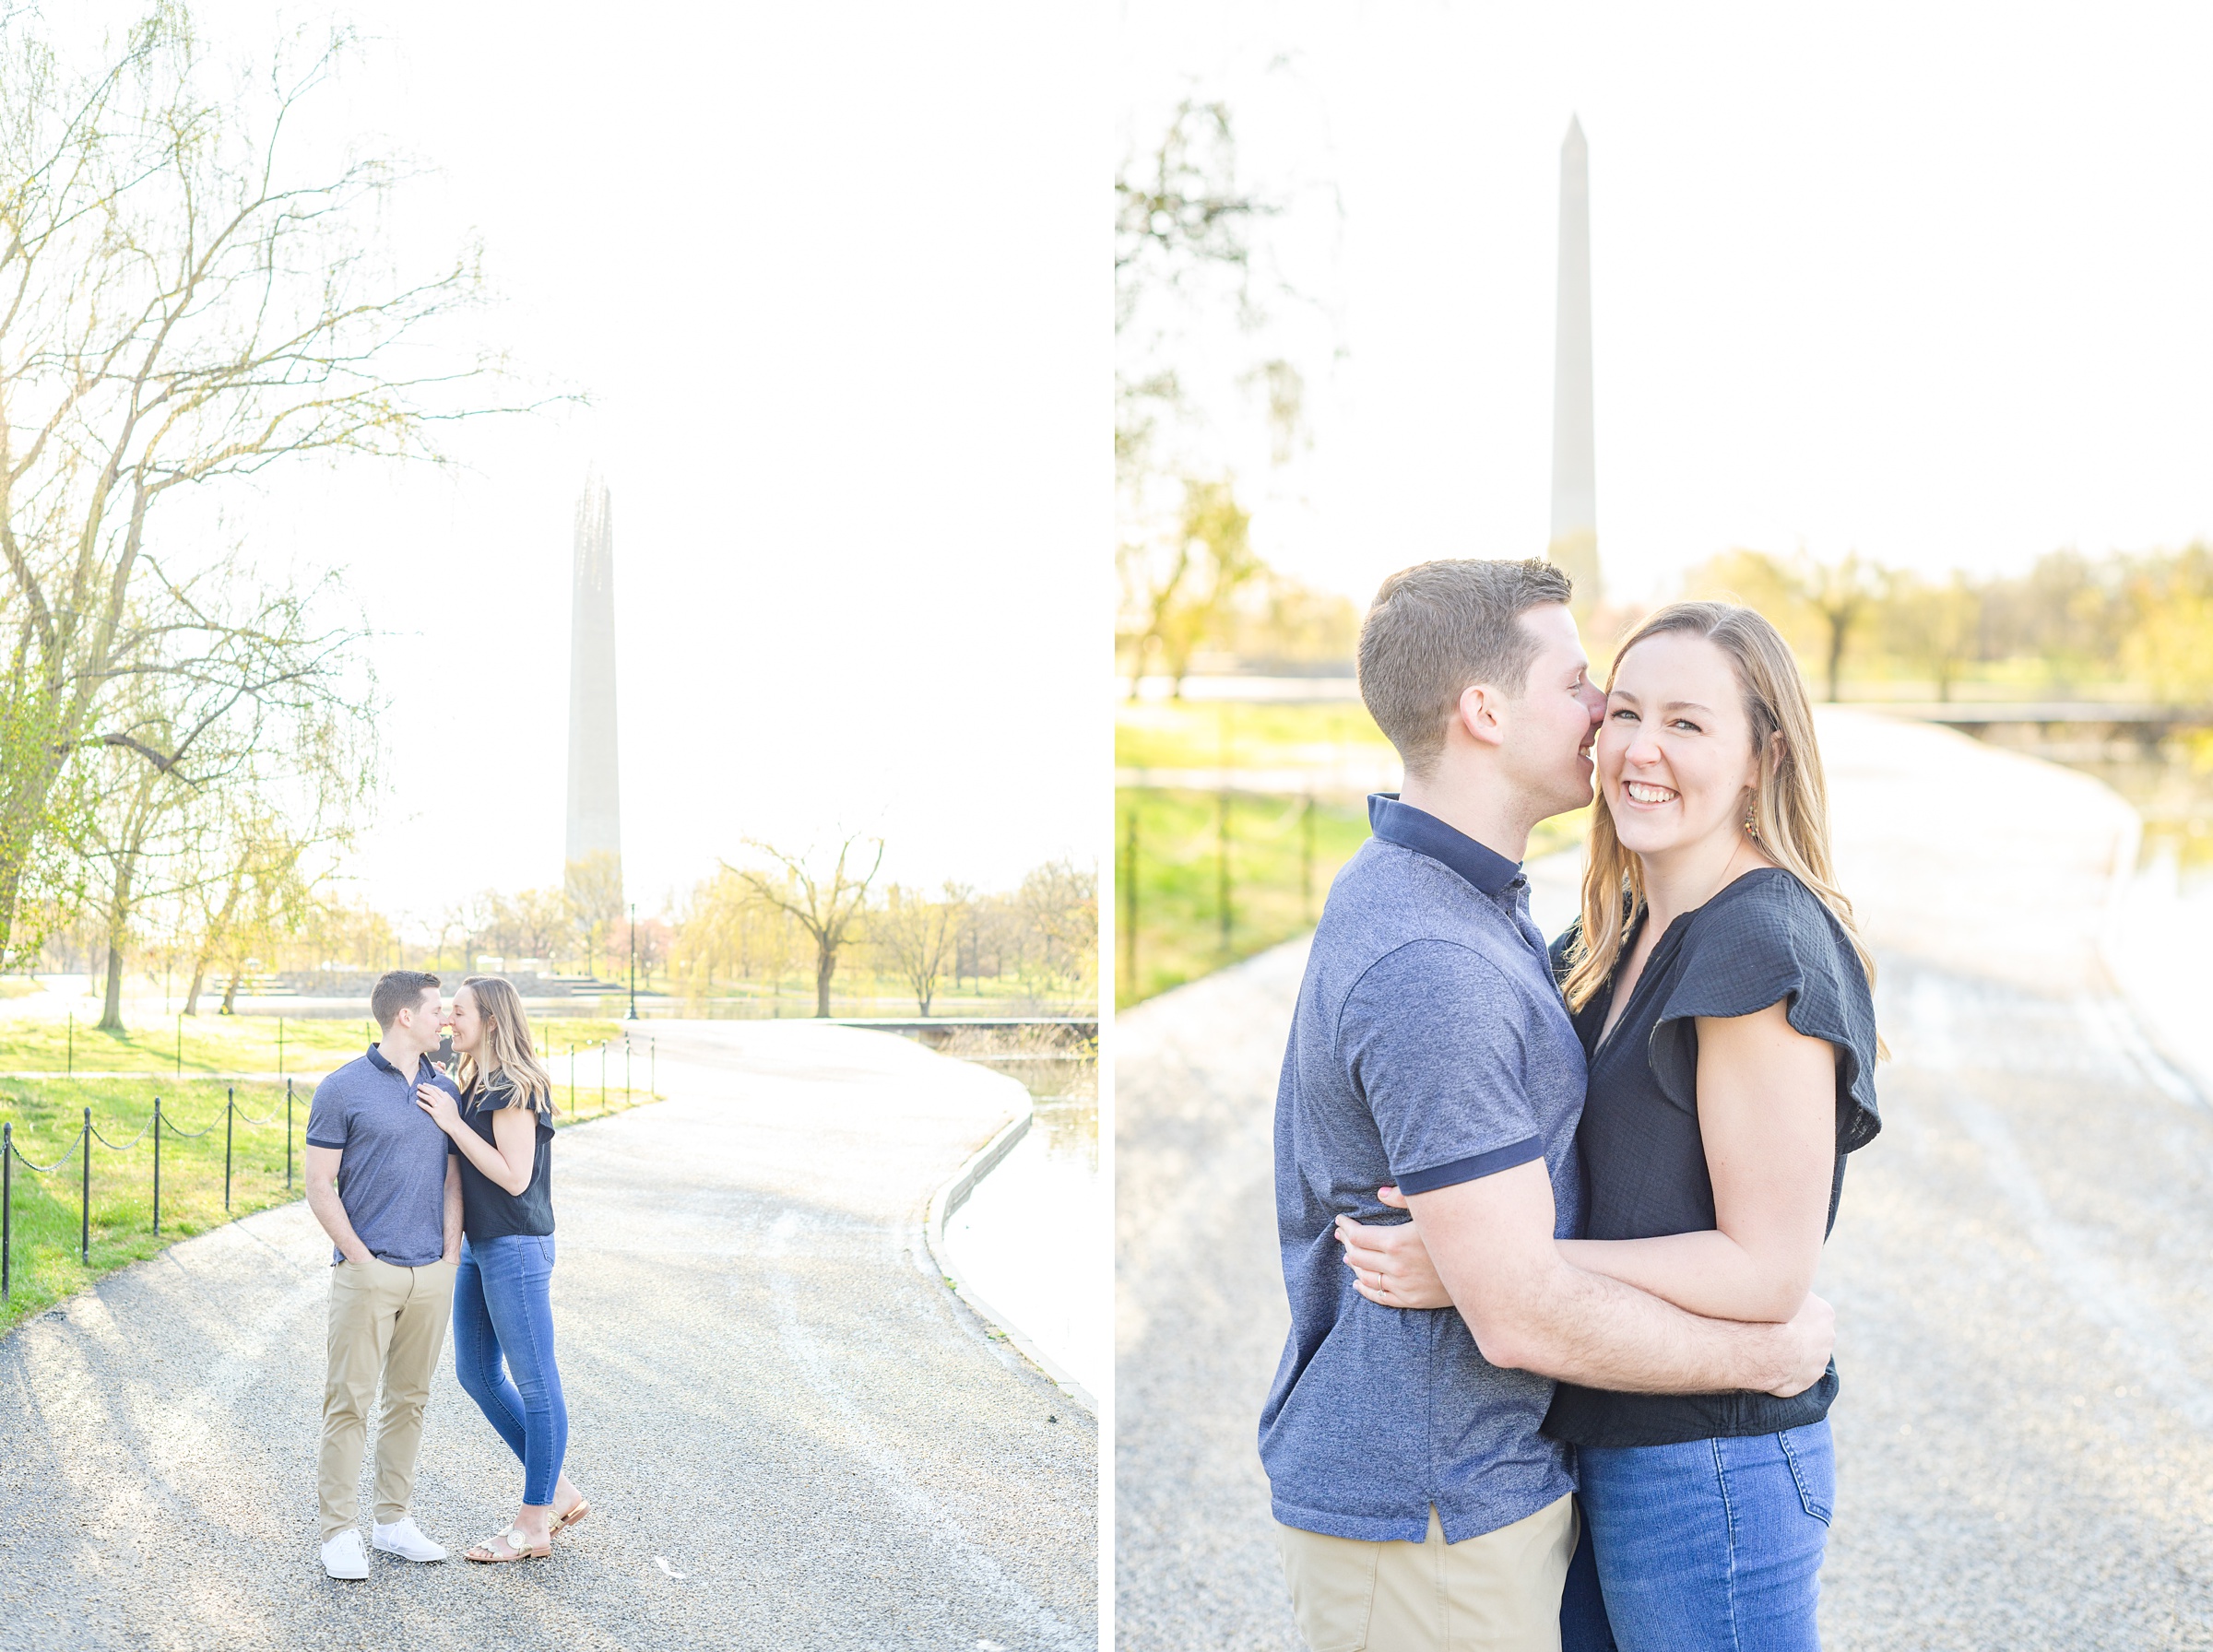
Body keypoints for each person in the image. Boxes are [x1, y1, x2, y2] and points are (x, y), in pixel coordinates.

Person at [1263, 560, 1836, 1652]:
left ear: (1762, 753)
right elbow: (1519, 1311)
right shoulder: (1446, 952)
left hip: (1528, 1487)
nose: (1609, 731)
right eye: (1594, 693)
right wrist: (1761, 1355)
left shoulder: (1492, 913)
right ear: (1484, 710)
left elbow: (1557, 1280)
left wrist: (1500, 1264)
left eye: (1676, 718)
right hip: (1431, 1507)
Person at [414, 974, 587, 1563]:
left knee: (537, 1384)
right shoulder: (474, 1082)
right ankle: (557, 1490)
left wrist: (452, 1123)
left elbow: (514, 1176)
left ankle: (534, 1522)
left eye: (457, 1012)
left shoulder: (513, 1088)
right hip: (482, 1247)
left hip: (516, 1247)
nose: (447, 1022)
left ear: (490, 1020)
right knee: (477, 1374)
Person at [303, 969, 464, 1580]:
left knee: (411, 1401)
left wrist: (450, 1258)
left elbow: (453, 1179)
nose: (444, 1020)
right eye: (435, 1011)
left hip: (432, 1274)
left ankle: (393, 1522)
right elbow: (320, 1186)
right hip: (367, 1274)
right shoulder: (341, 1088)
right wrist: (360, 1259)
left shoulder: (444, 1088)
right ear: (404, 1016)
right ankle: (338, 1532)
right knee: (349, 1401)